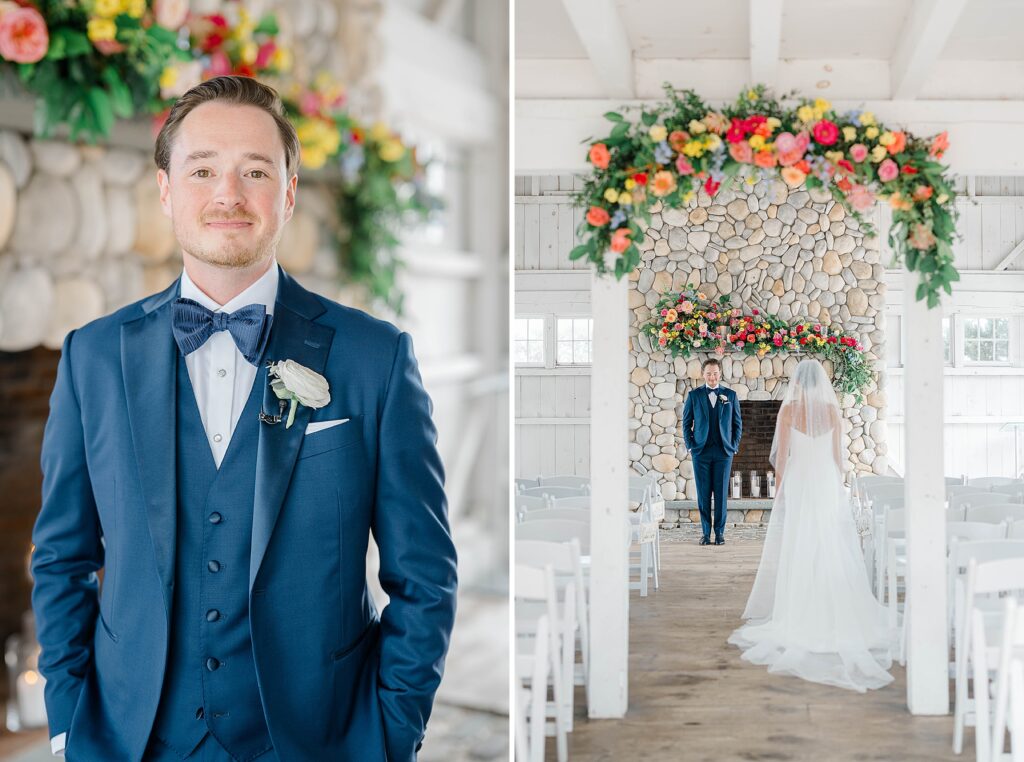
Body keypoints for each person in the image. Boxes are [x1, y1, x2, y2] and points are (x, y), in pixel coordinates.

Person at [31, 75, 457, 761]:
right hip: (128, 741)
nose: (227, 194)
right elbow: (61, 557)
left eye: (254, 171)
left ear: (288, 193)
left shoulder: (375, 358)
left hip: (320, 740)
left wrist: (390, 733)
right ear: (166, 191)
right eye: (202, 170)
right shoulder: (93, 357)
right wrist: (66, 722)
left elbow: (425, 573)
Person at [728, 359, 893, 692]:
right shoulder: (832, 413)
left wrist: (779, 493)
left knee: (801, 543)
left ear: (798, 384)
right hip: (826, 483)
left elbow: (782, 457)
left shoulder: (789, 411)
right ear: (821, 383)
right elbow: (837, 459)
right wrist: (839, 486)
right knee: (829, 543)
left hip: (802, 482)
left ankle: (800, 611)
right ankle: (833, 607)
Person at [681, 357, 742, 545]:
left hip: (724, 452)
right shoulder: (694, 396)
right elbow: (686, 424)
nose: (712, 377)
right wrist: (691, 445)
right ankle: (706, 533)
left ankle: (720, 533)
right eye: (709, 373)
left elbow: (737, 424)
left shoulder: (730, 396)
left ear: (720, 374)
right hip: (701, 453)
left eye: (715, 373)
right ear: (703, 374)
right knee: (704, 494)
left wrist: (733, 446)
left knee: (722, 494)